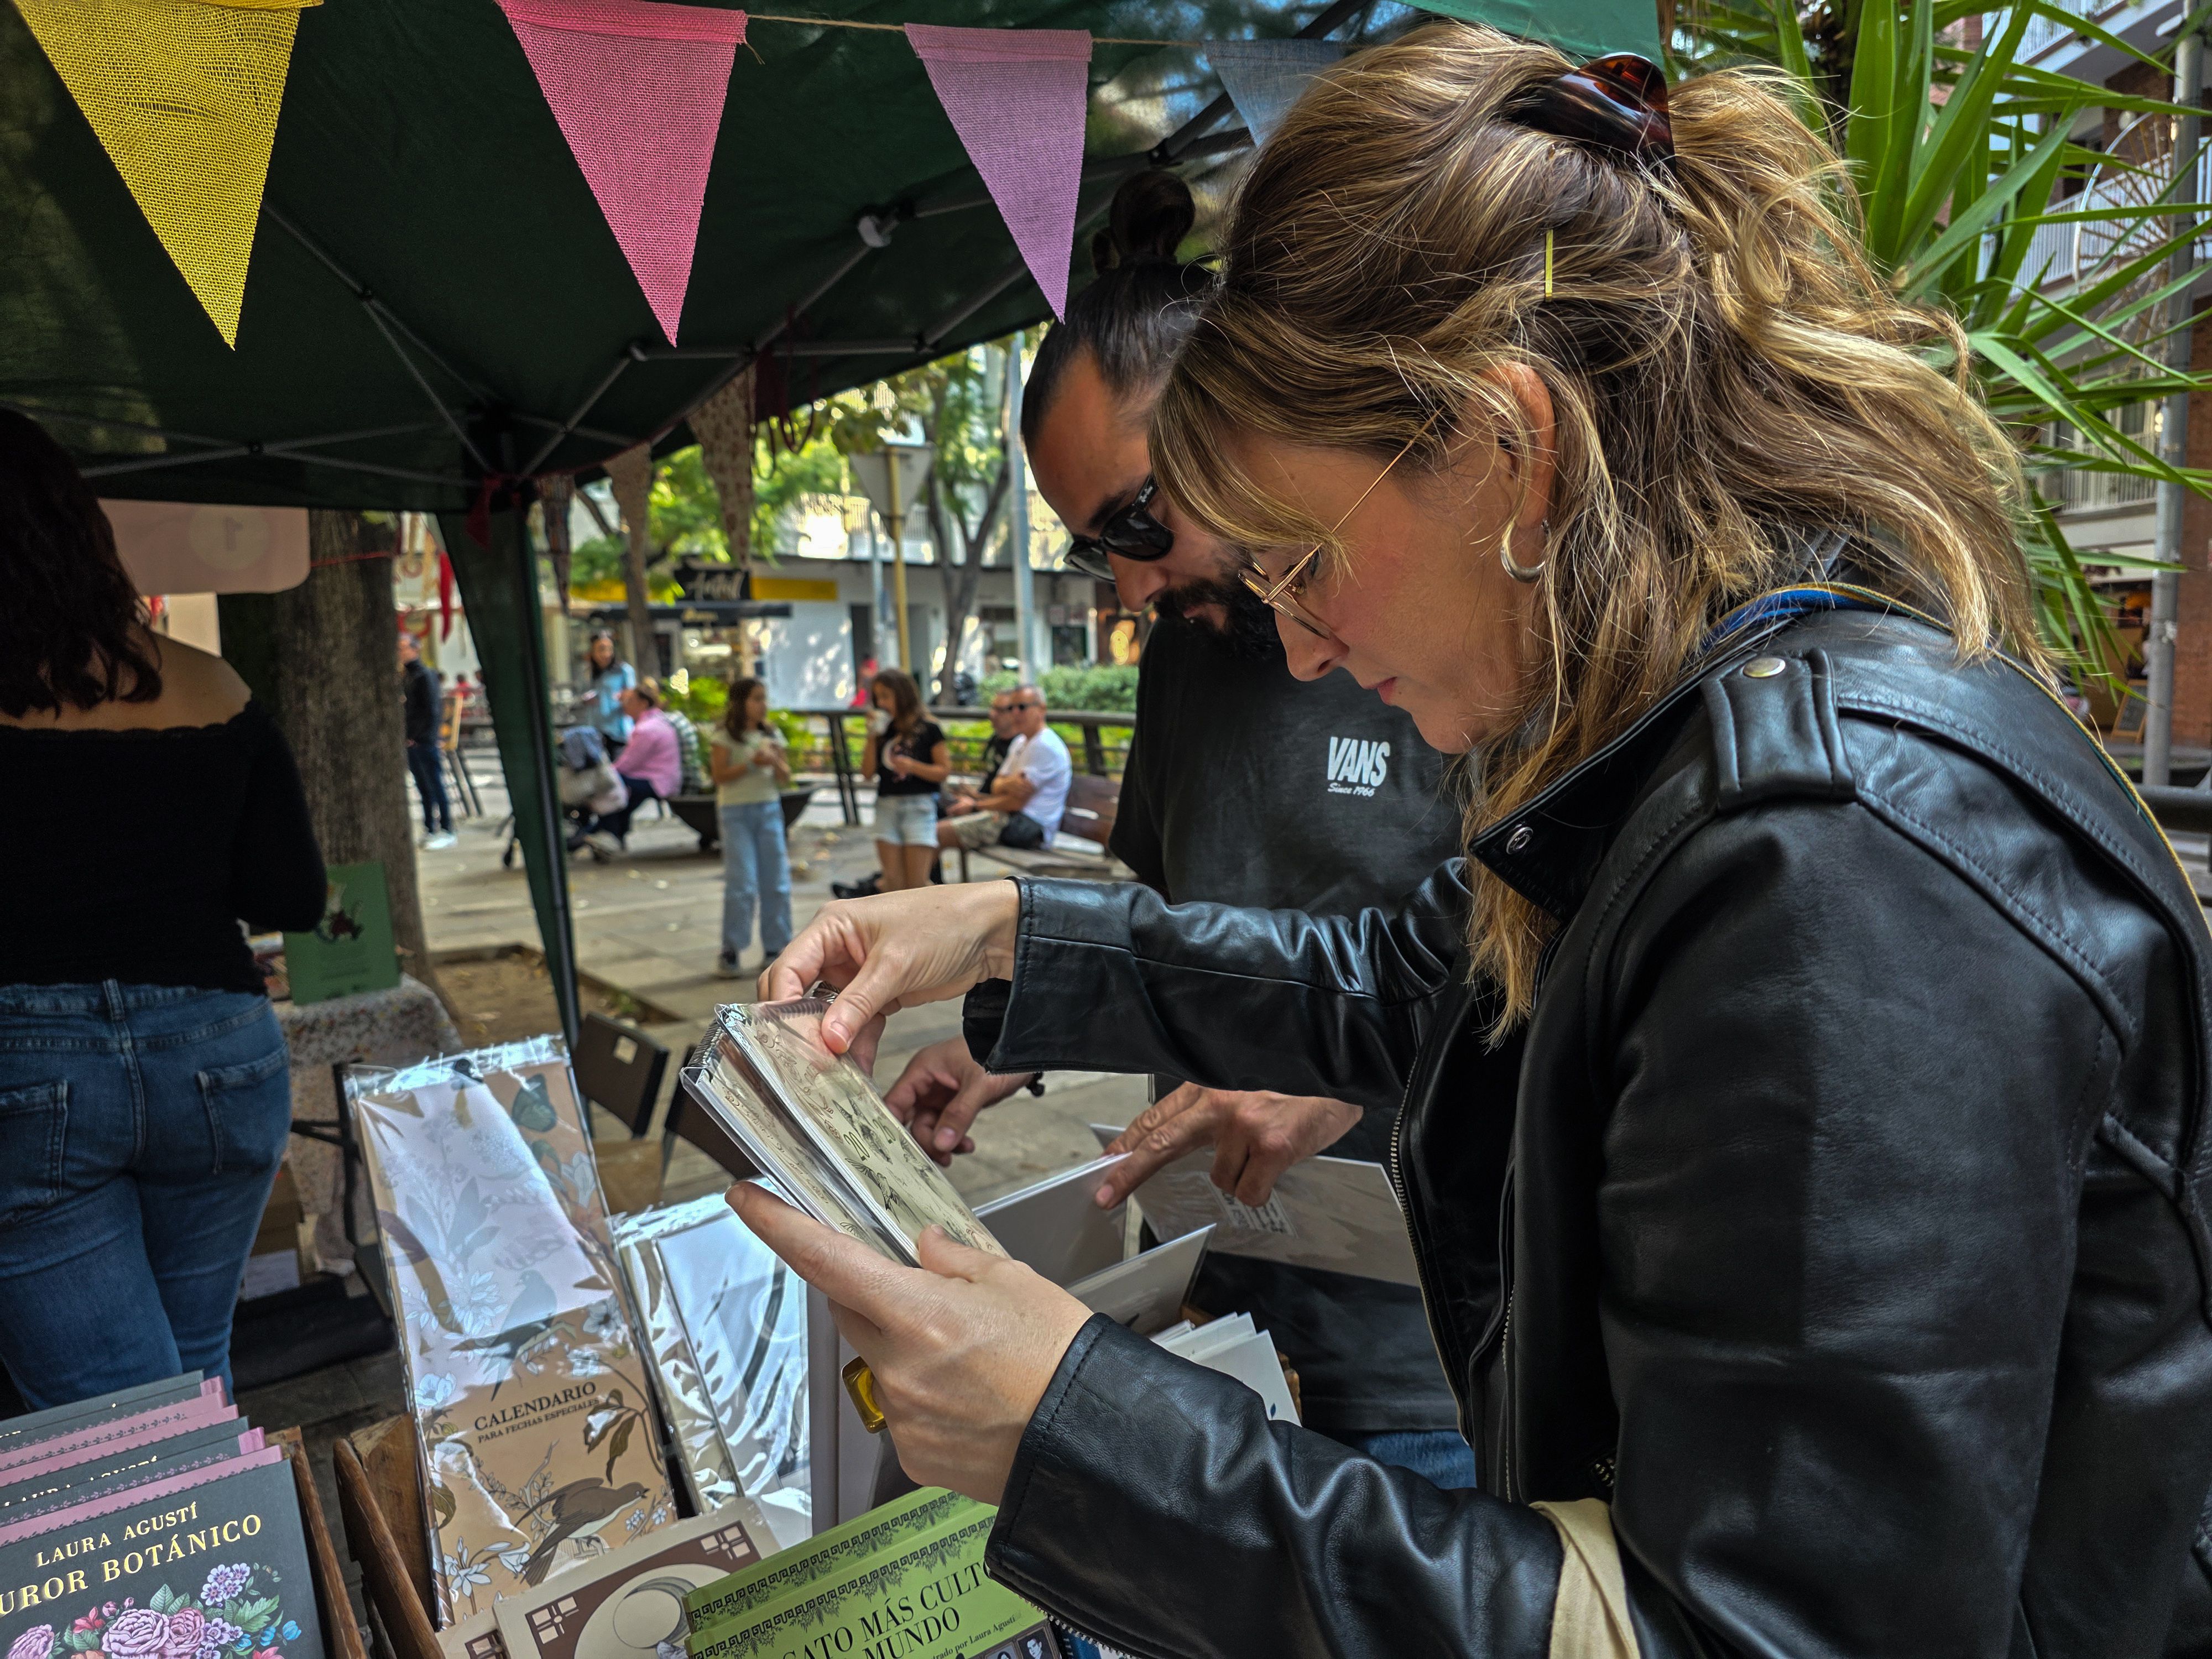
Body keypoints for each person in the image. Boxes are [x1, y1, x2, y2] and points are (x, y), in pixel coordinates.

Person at [736, 29, 2212, 1651]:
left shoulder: (1832, 860)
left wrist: (1082, 1436)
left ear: (1504, 443)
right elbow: (1407, 980)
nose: (1296, 649)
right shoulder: (1698, 752)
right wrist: (1009, 933)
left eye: (1307, 559)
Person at [886, 169, 1469, 1484]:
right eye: (1102, 550)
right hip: (1217, 1286)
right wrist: (1008, 1037)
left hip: (1429, 1331)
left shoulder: (1450, 632)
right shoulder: (1186, 654)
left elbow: (1557, 955)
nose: (1136, 583)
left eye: (1142, 521)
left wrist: (1330, 1075)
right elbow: (1156, 909)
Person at [0, 410, 326, 1407]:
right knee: (191, 1374)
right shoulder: (210, 684)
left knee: (118, 1418)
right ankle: (243, 1560)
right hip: (219, 1053)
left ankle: (231, 1564)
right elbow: (292, 895)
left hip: (27, 1068)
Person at [712, 676, 794, 979]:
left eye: (764, 698)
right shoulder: (725, 737)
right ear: (741, 703)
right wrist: (751, 763)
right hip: (735, 812)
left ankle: (776, 946)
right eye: (757, 699)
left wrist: (775, 763)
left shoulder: (772, 735)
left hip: (768, 809)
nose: (763, 705)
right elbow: (719, 775)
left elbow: (786, 778)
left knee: (776, 881)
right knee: (742, 882)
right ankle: (732, 947)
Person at [936, 686, 1070, 856]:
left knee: (937, 833)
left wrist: (976, 805)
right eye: (1011, 708)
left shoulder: (1045, 746)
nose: (1015, 713)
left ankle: (923, 883)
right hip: (1009, 819)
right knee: (934, 829)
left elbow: (1015, 802)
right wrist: (1007, 784)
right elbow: (996, 786)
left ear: (1042, 709)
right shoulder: (1021, 742)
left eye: (1022, 707)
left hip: (1026, 829)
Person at [862, 668, 950, 890]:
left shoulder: (929, 728)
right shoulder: (884, 730)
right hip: (886, 806)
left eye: (886, 696)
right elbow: (866, 772)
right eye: (877, 697)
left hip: (919, 807)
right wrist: (872, 736)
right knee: (892, 882)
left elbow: (943, 771)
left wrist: (913, 766)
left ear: (902, 695)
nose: (881, 703)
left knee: (918, 884)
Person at [586, 678, 679, 853]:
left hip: (658, 781)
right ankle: (612, 834)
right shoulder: (655, 722)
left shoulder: (647, 728)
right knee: (621, 792)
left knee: (611, 788)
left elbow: (628, 763)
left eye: (629, 701)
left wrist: (605, 775)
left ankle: (606, 833)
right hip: (660, 779)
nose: (625, 706)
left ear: (643, 703)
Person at [397, 630, 455, 849]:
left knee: (435, 783)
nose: (400, 653)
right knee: (423, 787)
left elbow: (432, 711)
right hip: (413, 740)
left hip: (424, 741)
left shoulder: (425, 676)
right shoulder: (407, 676)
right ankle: (431, 827)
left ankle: (447, 827)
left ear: (415, 648)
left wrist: (420, 737)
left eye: (403, 648)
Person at [582, 630, 636, 753]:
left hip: (618, 732)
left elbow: (632, 698)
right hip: (595, 732)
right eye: (601, 649)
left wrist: (625, 698)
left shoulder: (624, 671)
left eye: (609, 649)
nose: (606, 654)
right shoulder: (588, 673)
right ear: (592, 652)